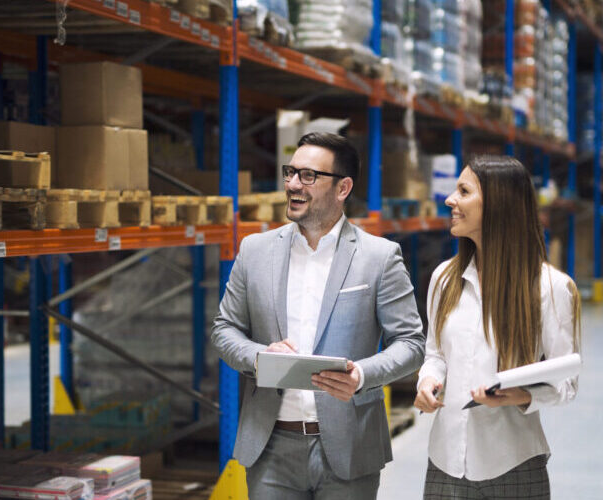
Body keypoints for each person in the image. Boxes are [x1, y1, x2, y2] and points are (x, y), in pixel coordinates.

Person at [212, 132, 425, 499]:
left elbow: (410, 344)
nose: (293, 184)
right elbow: (224, 329)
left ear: (342, 187)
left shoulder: (379, 257)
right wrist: (259, 358)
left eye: (308, 176)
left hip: (349, 446)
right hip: (271, 446)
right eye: (290, 173)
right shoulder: (255, 250)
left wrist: (361, 375)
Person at [414, 155, 581, 500]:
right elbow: (435, 354)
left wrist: (522, 396)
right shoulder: (445, 279)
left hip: (514, 466)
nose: (450, 200)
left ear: (498, 204)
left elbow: (566, 382)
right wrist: (428, 380)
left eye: (464, 191)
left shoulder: (550, 288)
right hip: (444, 463)